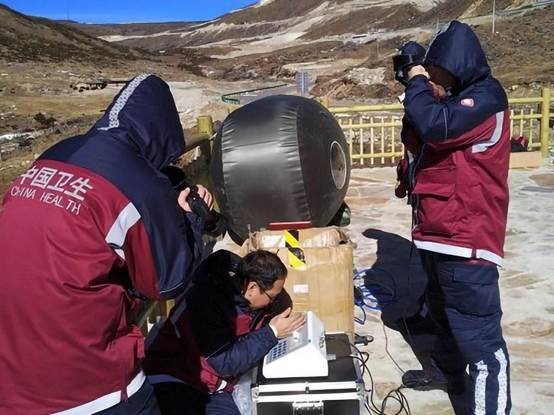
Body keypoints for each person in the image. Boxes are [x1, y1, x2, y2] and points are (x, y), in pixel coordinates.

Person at [0, 74, 212, 414]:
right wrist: (189, 220)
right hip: (90, 384)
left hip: (12, 375)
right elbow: (167, 281)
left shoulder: (57, 152)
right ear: (163, 130)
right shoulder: (139, 183)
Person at [395, 22, 511, 414]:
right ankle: (448, 376)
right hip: (437, 233)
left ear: (457, 68)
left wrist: (416, 81)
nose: (433, 80)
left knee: (481, 344)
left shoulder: (486, 99)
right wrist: (416, 91)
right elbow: (418, 137)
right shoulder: (454, 99)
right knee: (442, 317)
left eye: (436, 73)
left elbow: (435, 126)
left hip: (467, 241)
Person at [143, 249, 305, 415]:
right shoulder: (207, 304)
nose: (273, 302)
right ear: (252, 287)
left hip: (215, 384)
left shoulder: (245, 298)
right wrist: (271, 332)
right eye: (273, 297)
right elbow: (225, 363)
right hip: (177, 377)